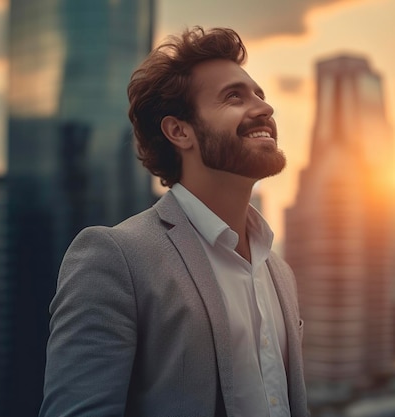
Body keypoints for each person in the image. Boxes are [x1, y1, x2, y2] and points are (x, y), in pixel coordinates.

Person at [39, 26, 308, 417]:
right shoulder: (116, 258)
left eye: (260, 96)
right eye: (234, 96)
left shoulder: (279, 271)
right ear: (179, 131)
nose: (263, 108)